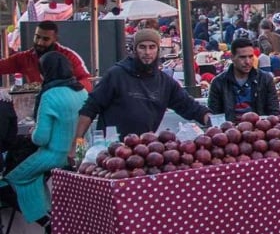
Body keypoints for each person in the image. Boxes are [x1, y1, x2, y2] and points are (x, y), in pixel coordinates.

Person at [75, 29, 211, 139]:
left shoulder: (165, 83)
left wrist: (210, 119)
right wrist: (77, 142)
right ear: (134, 50)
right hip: (112, 150)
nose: (147, 52)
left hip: (143, 152)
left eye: (152, 47)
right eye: (142, 47)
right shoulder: (116, 74)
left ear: (158, 50)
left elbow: (189, 106)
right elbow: (90, 108)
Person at [2, 51, 87, 223]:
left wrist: (34, 130)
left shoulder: (49, 95)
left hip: (54, 155)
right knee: (39, 177)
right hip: (80, 154)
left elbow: (41, 139)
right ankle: (57, 219)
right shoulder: (82, 91)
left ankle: (46, 220)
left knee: (16, 176)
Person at [0, 21, 93, 91]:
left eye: (45, 39)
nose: (40, 42)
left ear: (55, 39)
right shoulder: (25, 58)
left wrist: (65, 91)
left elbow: (87, 82)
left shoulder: (69, 56)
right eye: (37, 37)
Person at [207, 39, 280, 121]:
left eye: (250, 56)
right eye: (242, 57)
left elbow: (274, 113)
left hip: (259, 130)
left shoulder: (265, 79)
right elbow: (215, 116)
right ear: (232, 57)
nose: (248, 62)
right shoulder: (218, 82)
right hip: (230, 130)